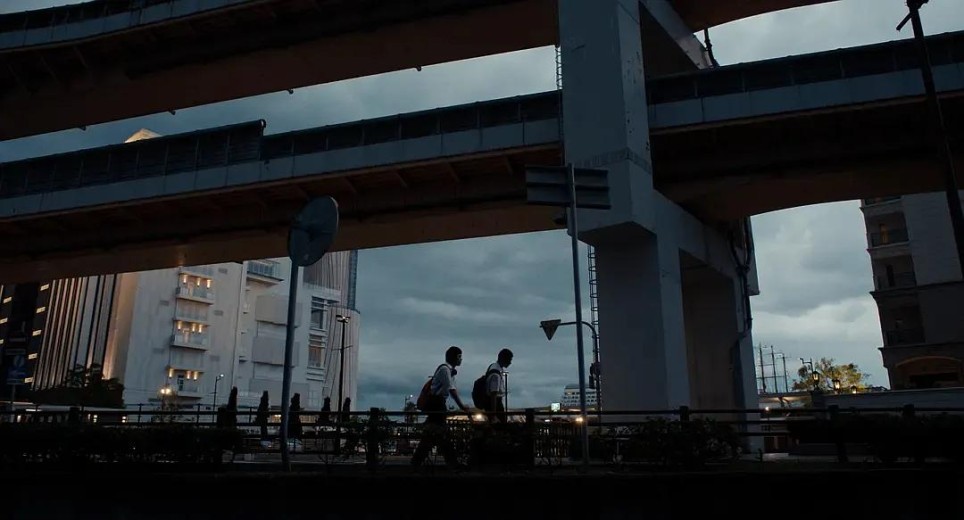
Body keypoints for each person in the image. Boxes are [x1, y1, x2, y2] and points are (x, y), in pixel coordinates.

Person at [411, 346, 472, 468]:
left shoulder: (447, 370)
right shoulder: (445, 370)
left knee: (434, 434)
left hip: (437, 402)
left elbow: (451, 389)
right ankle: (452, 463)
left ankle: (418, 462)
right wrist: (461, 406)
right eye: (459, 357)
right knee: (441, 433)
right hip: (437, 403)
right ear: (454, 358)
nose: (461, 359)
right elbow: (451, 389)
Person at [485, 348, 513, 423]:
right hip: (496, 404)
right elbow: (493, 394)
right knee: (501, 426)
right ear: (504, 359)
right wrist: (493, 415)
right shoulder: (496, 374)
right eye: (509, 360)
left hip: (491, 403)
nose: (510, 362)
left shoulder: (492, 366)